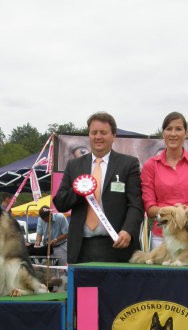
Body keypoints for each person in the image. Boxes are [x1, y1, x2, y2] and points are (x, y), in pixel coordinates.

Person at [53, 112, 143, 264]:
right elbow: (60, 203)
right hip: (82, 248)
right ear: (89, 135)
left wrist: (128, 230)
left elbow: (136, 204)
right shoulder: (74, 165)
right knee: (85, 289)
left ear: (114, 135)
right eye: (94, 132)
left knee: (117, 288)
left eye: (103, 132)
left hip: (118, 246)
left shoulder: (129, 164)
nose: (98, 137)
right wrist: (79, 190)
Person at [140, 112, 188, 249]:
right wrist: (176, 211)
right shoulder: (150, 165)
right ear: (163, 133)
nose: (173, 133)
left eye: (178, 129)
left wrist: (185, 213)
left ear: (186, 133)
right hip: (162, 237)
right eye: (169, 129)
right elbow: (150, 209)